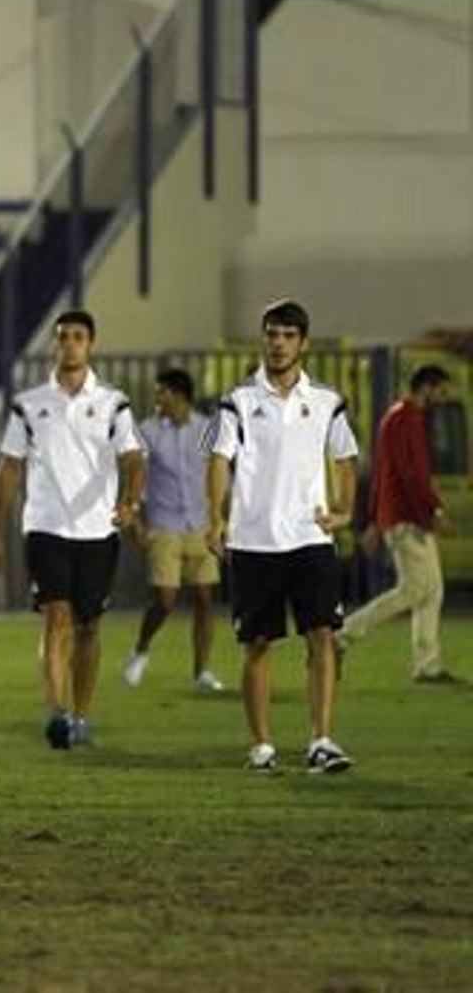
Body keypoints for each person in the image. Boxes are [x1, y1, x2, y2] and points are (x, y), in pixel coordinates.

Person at [204, 299, 359, 774]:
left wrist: (345, 511)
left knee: (322, 638)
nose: (278, 343)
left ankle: (321, 741)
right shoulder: (238, 401)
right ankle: (262, 746)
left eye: (288, 335)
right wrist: (216, 518)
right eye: (272, 334)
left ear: (304, 343)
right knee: (258, 645)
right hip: (254, 540)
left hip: (311, 538)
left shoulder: (328, 401)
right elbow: (217, 461)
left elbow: (346, 457)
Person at [0, 310, 145, 750]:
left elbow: (133, 458)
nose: (70, 344)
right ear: (53, 346)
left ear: (91, 344)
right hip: (46, 526)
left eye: (78, 337)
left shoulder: (114, 403)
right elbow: (8, 468)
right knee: (57, 618)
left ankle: (82, 714)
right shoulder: (29, 403)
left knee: (90, 626)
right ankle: (57, 714)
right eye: (62, 338)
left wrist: (130, 502)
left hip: (98, 529)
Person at [342, 364, 456, 683]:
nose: (444, 399)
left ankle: (428, 664)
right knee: (415, 590)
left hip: (407, 515)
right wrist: (434, 512)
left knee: (431, 591)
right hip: (408, 517)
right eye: (442, 391)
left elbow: (386, 475)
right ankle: (344, 634)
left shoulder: (403, 417)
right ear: (428, 388)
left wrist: (375, 521)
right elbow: (411, 475)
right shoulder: (405, 419)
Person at [122, 369, 225, 692]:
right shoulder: (149, 432)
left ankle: (202, 672)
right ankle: (140, 649)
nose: (157, 399)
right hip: (164, 525)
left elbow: (220, 476)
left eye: (162, 392)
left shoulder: (207, 429)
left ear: (179, 396)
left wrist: (223, 520)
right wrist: (137, 521)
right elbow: (135, 479)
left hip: (200, 524)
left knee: (205, 600)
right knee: (165, 600)